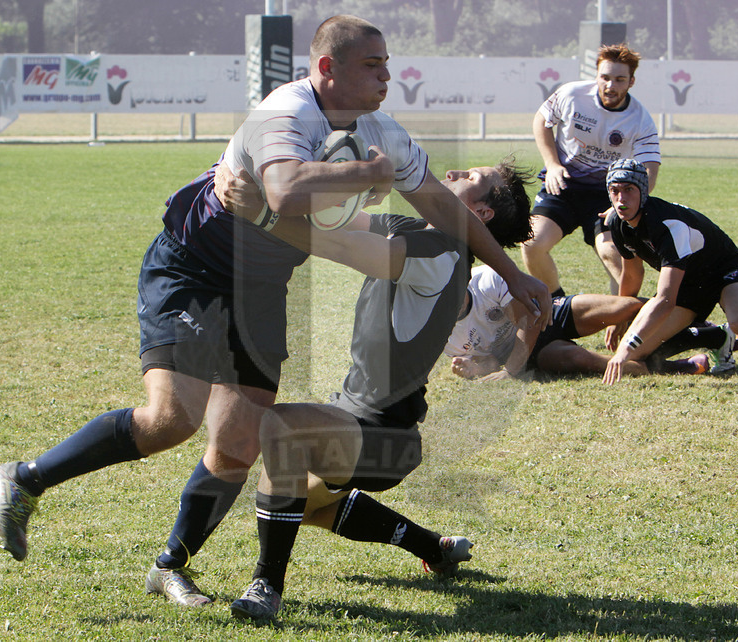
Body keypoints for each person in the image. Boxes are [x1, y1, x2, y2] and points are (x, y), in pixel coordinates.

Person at [0, 14, 550, 608]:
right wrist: (367, 173)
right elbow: (285, 192)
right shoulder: (287, 112)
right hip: (199, 267)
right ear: (327, 68)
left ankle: (170, 565)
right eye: (372, 65)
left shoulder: (382, 131)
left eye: (387, 64)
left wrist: (512, 274)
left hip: (260, 286)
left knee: (240, 439)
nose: (386, 76)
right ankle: (26, 478)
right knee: (171, 419)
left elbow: (439, 206)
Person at [224, 158, 536, 621]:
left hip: (385, 434)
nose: (452, 174)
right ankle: (432, 546)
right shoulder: (416, 230)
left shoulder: (441, 256)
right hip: (352, 413)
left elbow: (340, 245)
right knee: (298, 504)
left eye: (471, 178)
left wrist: (261, 213)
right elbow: (336, 222)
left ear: (481, 213)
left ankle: (266, 587)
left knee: (283, 429)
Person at [521, 43, 661, 297]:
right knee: (532, 243)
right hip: (562, 185)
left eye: (619, 79)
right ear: (596, 75)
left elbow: (650, 170)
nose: (610, 85)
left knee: (612, 254)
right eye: (605, 77)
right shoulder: (572, 94)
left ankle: (622, 313)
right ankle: (556, 304)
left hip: (606, 194)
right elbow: (542, 120)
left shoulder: (641, 120)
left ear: (631, 82)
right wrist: (552, 165)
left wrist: (625, 204)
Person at [602, 158, 738, 385]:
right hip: (689, 284)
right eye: (615, 190)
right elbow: (632, 275)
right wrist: (618, 317)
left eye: (629, 189)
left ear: (643, 191)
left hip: (725, 270)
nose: (621, 198)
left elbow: (665, 300)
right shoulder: (617, 223)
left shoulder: (669, 225)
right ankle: (718, 337)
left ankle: (731, 329)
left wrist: (624, 349)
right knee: (637, 355)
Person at [444, 264, 734, 381]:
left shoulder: (486, 279)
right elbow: (488, 361)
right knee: (583, 360)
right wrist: (475, 369)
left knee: (626, 307)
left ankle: (697, 325)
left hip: (546, 316)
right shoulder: (441, 334)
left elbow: (529, 317)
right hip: (533, 353)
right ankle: (683, 362)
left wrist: (511, 370)